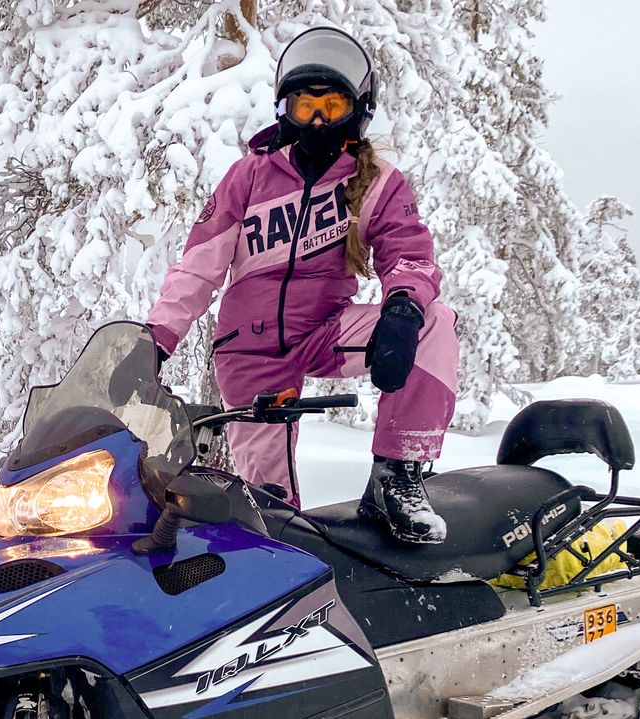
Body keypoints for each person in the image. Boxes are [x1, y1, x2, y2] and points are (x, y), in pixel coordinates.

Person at [145, 25, 459, 544]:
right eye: (303, 106)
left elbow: (410, 254)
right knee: (271, 511)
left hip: (323, 331)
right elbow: (199, 266)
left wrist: (403, 307)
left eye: (331, 107)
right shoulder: (249, 177)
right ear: (282, 110)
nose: (315, 120)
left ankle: (396, 476)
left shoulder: (378, 181)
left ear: (357, 112)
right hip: (252, 354)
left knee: (435, 324)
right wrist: (157, 337)